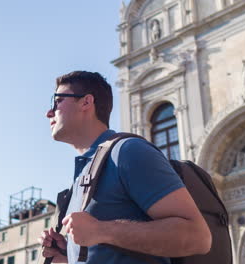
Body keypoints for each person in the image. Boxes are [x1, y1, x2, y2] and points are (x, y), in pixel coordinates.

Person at [40, 71, 211, 264]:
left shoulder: (128, 152)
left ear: (86, 102)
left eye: (57, 101)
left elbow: (199, 237)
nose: (48, 112)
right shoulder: (80, 178)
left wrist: (100, 230)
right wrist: (67, 254)